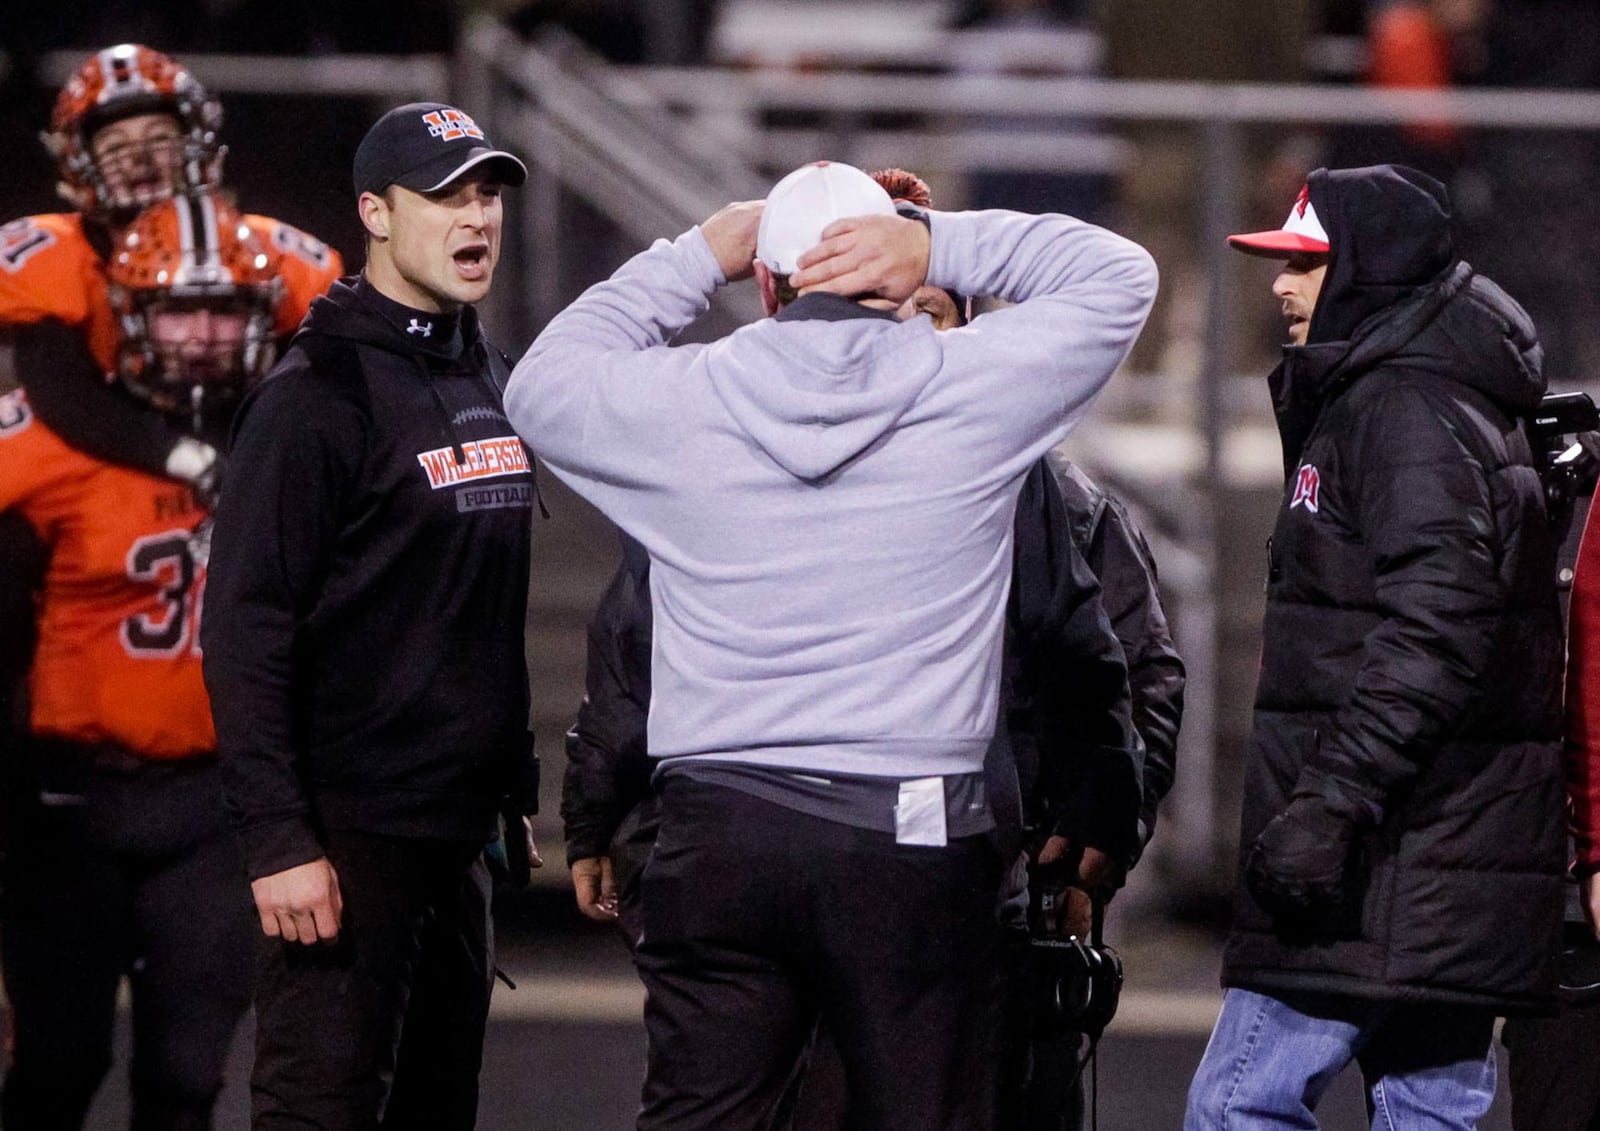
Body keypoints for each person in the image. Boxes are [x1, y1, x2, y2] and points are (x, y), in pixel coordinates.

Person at [507, 159, 1156, 1130]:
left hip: (718, 829)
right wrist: (939, 244)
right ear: (893, 279)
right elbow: (1118, 276)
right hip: (911, 834)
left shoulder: (681, 402)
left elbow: (540, 381)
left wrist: (697, 253)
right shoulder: (969, 388)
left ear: (765, 284)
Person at [1183, 163, 1566, 1129]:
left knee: (1238, 1105)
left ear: (1366, 271)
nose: (1282, 284)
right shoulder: (1421, 392)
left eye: (1307, 264)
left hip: (1387, 863)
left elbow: (1435, 631)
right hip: (1442, 855)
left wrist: (1331, 807)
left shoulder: (1404, 408)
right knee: (1426, 1117)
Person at [198, 101, 540, 1131]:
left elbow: (472, 604)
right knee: (321, 1109)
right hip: (347, 839)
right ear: (375, 214)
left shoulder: (485, 367)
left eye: (487, 193)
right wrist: (277, 842)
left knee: (438, 1111)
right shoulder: (314, 395)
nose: (475, 216)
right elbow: (243, 632)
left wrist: (501, 776)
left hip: (457, 838)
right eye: (445, 195)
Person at [0, 192, 279, 1131]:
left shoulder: (290, 435)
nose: (202, 336)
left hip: (212, 805)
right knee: (55, 1063)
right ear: (125, 316)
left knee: (187, 1074)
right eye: (177, 309)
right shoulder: (44, 440)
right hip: (66, 804)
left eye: (225, 309)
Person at [0, 42, 343, 496]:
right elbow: (64, 394)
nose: (139, 158)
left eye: (159, 138)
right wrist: (178, 453)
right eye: (115, 145)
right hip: (106, 461)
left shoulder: (259, 249)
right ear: (77, 157)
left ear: (196, 142)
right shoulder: (51, 256)